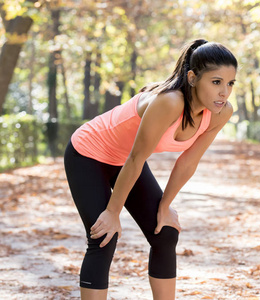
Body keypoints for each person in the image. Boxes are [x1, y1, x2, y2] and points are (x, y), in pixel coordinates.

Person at [64, 38, 237, 300]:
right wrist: (112, 212)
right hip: (88, 153)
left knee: (165, 232)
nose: (224, 92)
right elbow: (136, 158)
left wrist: (165, 206)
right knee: (104, 237)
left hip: (124, 160)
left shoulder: (221, 113)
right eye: (216, 82)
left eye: (230, 83)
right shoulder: (170, 102)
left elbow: (188, 162)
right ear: (192, 78)